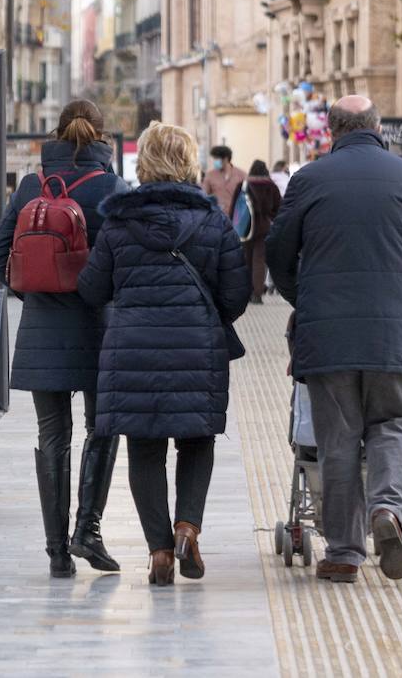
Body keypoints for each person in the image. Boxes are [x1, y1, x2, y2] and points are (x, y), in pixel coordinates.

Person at [266, 96, 402, 584]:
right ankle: (387, 509)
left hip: (329, 339)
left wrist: (304, 298)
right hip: (396, 337)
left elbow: (277, 252)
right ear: (378, 126)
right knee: (392, 424)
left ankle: (344, 554)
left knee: (337, 441)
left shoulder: (309, 180)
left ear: (331, 130)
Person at [78, 123, 248, 586]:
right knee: (197, 441)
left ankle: (158, 551)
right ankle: (187, 526)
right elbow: (236, 296)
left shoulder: (118, 222)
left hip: (132, 350)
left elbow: (92, 289)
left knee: (145, 450)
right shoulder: (213, 222)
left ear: (145, 163)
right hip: (197, 348)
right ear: (191, 163)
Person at [0, 100, 130, 578]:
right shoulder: (113, 188)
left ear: (56, 134)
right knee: (102, 428)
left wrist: (34, 292)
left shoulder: (32, 185)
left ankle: (56, 554)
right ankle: (86, 531)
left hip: (42, 328)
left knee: (53, 436)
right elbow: (125, 260)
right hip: (98, 326)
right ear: (101, 138)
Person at [244, 161, 282, 304]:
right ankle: (257, 294)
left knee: (246, 260)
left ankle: (246, 292)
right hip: (264, 228)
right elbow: (279, 208)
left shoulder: (244, 185)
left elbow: (236, 207)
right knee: (260, 260)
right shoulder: (271, 186)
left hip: (246, 228)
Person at [201, 144, 246, 218]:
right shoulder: (210, 175)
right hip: (217, 217)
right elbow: (203, 194)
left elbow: (246, 197)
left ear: (226, 159)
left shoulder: (241, 175)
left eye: (216, 159)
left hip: (236, 218)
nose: (215, 161)